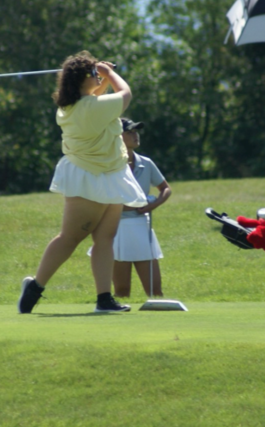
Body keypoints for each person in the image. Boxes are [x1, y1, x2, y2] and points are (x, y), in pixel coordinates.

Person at [18, 52, 147, 314]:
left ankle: (104, 299)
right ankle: (35, 287)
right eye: (93, 74)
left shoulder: (76, 105)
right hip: (90, 176)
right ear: (80, 80)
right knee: (71, 238)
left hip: (110, 174)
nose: (97, 76)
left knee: (105, 239)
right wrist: (110, 74)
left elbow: (95, 97)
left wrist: (99, 76)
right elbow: (126, 94)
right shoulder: (91, 108)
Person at [111, 118, 171, 297]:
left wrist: (152, 205)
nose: (135, 135)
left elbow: (165, 189)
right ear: (116, 136)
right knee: (121, 291)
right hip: (116, 228)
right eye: (129, 132)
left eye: (136, 131)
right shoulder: (108, 164)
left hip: (141, 226)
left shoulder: (146, 162)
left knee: (155, 290)